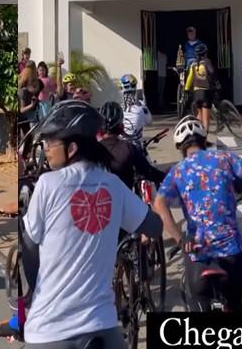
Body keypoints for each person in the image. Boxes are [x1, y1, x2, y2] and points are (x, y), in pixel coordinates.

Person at [21, 100, 162, 348]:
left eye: (51, 142)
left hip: (50, 329)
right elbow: (154, 227)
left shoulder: (48, 184)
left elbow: (30, 246)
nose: (47, 148)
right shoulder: (113, 185)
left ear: (72, 148)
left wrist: (34, 291)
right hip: (103, 328)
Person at [153, 116, 242, 312]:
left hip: (197, 252)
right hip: (231, 251)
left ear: (181, 147)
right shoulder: (224, 158)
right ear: (204, 140)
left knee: (197, 301)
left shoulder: (177, 171)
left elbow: (159, 203)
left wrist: (180, 239)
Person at [97, 101, 165, 192]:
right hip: (124, 202)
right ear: (121, 125)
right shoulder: (128, 148)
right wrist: (169, 176)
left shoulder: (92, 149)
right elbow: (149, 172)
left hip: (99, 204)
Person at [184, 43, 217, 123]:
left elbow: (190, 78)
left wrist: (187, 88)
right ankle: (204, 134)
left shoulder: (193, 64)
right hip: (205, 92)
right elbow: (212, 73)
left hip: (196, 93)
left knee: (199, 114)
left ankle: (198, 132)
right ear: (205, 53)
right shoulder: (206, 61)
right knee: (205, 119)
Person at [119, 73, 151, 142]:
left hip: (121, 146)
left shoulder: (118, 109)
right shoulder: (142, 106)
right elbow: (149, 121)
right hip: (137, 145)